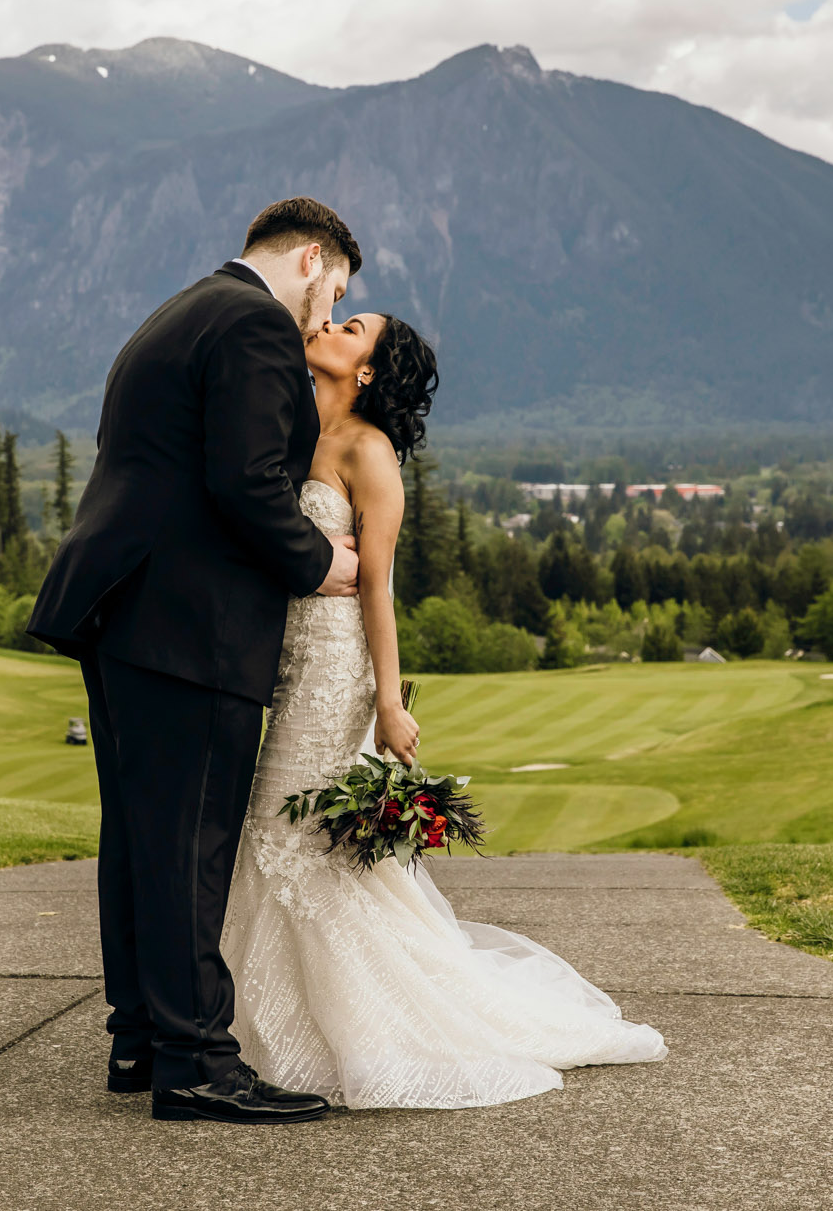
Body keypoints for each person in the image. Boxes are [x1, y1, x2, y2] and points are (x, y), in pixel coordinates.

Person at [219, 310, 669, 1108]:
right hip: (286, 661)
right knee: (281, 835)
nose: (328, 321)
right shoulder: (296, 428)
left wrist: (389, 703)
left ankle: (330, 1034)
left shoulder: (369, 450)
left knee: (281, 835)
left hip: (335, 669)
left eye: (351, 326)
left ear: (366, 370)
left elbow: (380, 586)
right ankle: (268, 1024)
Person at [28, 197, 363, 1125]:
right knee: (190, 840)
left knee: (141, 835)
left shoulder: (180, 311)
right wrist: (318, 561)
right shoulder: (256, 322)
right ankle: (197, 1060)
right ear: (310, 258)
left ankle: (139, 1033)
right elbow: (246, 480)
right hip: (190, 621)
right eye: (332, 291)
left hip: (126, 605)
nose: (327, 315)